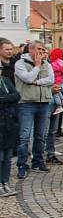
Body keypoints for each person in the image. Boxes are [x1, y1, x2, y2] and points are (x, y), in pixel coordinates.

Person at [15, 41, 55, 179]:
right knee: (24, 136)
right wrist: (37, 67)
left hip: (43, 102)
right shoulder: (20, 63)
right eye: (39, 49)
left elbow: (51, 80)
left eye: (43, 49)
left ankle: (38, 161)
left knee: (41, 135)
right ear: (31, 50)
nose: (42, 52)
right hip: (26, 103)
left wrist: (37, 82)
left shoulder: (47, 64)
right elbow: (27, 78)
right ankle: (22, 164)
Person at [0, 55, 20, 197]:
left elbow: (16, 96)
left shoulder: (5, 80)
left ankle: (5, 182)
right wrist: (7, 99)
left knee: (8, 156)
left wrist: (4, 99)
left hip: (9, 122)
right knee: (0, 156)